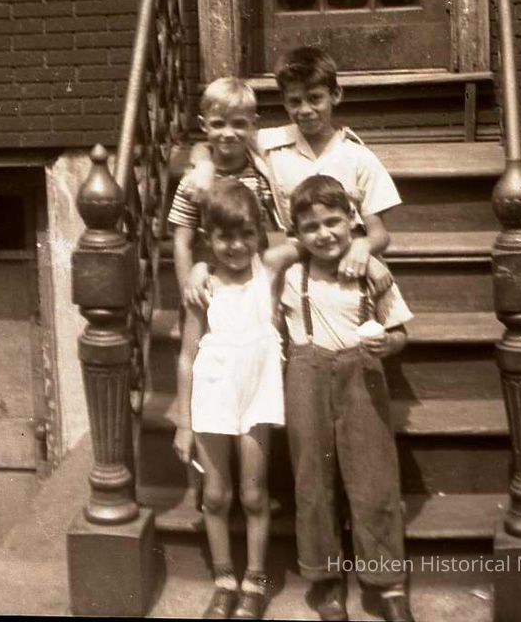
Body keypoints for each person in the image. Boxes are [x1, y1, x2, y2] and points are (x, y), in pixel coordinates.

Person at [280, 174, 414, 622]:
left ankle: (387, 584)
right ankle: (325, 580)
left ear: (352, 220)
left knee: (374, 478)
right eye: (311, 227)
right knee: (312, 482)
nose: (324, 234)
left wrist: (388, 345)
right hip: (306, 376)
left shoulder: (372, 275)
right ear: (296, 234)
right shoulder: (292, 275)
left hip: (362, 375)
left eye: (333, 222)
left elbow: (400, 333)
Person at [184, 47, 398, 304]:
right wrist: (204, 166)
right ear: (284, 102)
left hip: (342, 253)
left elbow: (380, 235)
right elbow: (214, 142)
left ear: (336, 95)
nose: (305, 109)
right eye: (295, 101)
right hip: (294, 255)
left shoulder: (358, 157)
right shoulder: (271, 142)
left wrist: (362, 247)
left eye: (315, 98)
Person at [172, 180, 286, 620]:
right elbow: (186, 358)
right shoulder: (203, 289)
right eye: (224, 237)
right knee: (216, 495)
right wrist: (183, 422)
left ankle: (255, 581)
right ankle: (224, 581)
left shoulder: (268, 270)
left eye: (245, 235)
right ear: (208, 238)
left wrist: (367, 262)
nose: (236, 246)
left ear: (258, 233)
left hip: (256, 392)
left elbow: (306, 242)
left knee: (254, 495)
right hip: (213, 395)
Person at [169, 76, 282, 302]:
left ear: (253, 123)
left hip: (251, 281)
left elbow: (270, 234)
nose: (228, 133)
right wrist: (187, 291)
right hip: (209, 280)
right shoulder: (195, 181)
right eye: (218, 124)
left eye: (239, 124)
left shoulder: (261, 175)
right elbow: (182, 242)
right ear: (203, 125)